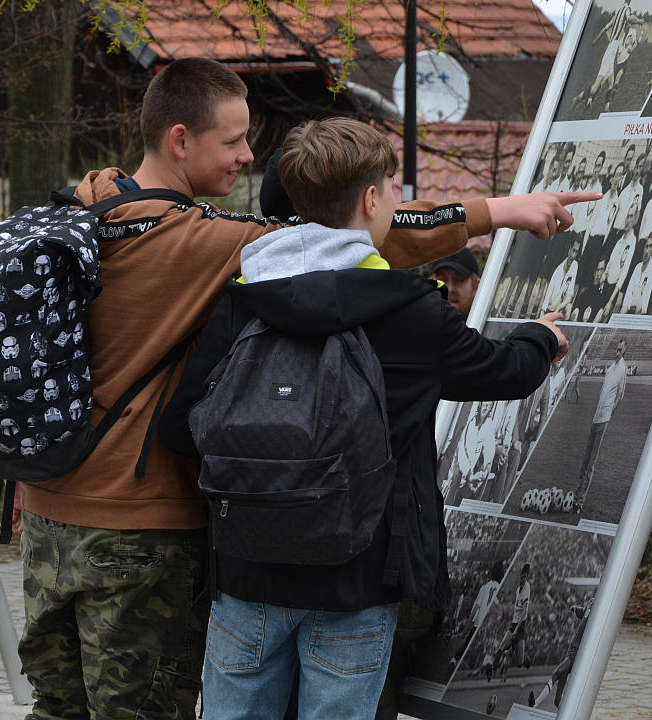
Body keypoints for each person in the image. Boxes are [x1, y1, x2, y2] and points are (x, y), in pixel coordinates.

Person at [18, 57, 595, 720]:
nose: (246, 154)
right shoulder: (215, 243)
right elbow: (343, 237)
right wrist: (497, 211)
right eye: (233, 140)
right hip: (154, 527)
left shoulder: (86, 213)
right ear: (181, 139)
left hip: (54, 510)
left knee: (57, 708)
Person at [161, 117, 571, 720]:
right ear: (373, 198)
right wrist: (542, 335)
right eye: (392, 190)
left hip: (246, 574)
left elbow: (182, 426)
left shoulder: (242, 298)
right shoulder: (411, 310)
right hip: (358, 576)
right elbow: (502, 371)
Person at [575, 340, 628, 511]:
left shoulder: (622, 370)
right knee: (584, 461)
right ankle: (576, 495)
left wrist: (609, 414)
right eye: (616, 349)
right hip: (595, 417)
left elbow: (620, 395)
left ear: (625, 351)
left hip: (603, 419)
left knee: (591, 463)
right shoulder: (611, 368)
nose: (616, 352)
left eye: (620, 350)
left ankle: (580, 501)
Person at [430, 248, 482, 318]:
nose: (450, 289)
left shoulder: (490, 326)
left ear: (477, 287)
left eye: (458, 280)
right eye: (442, 280)